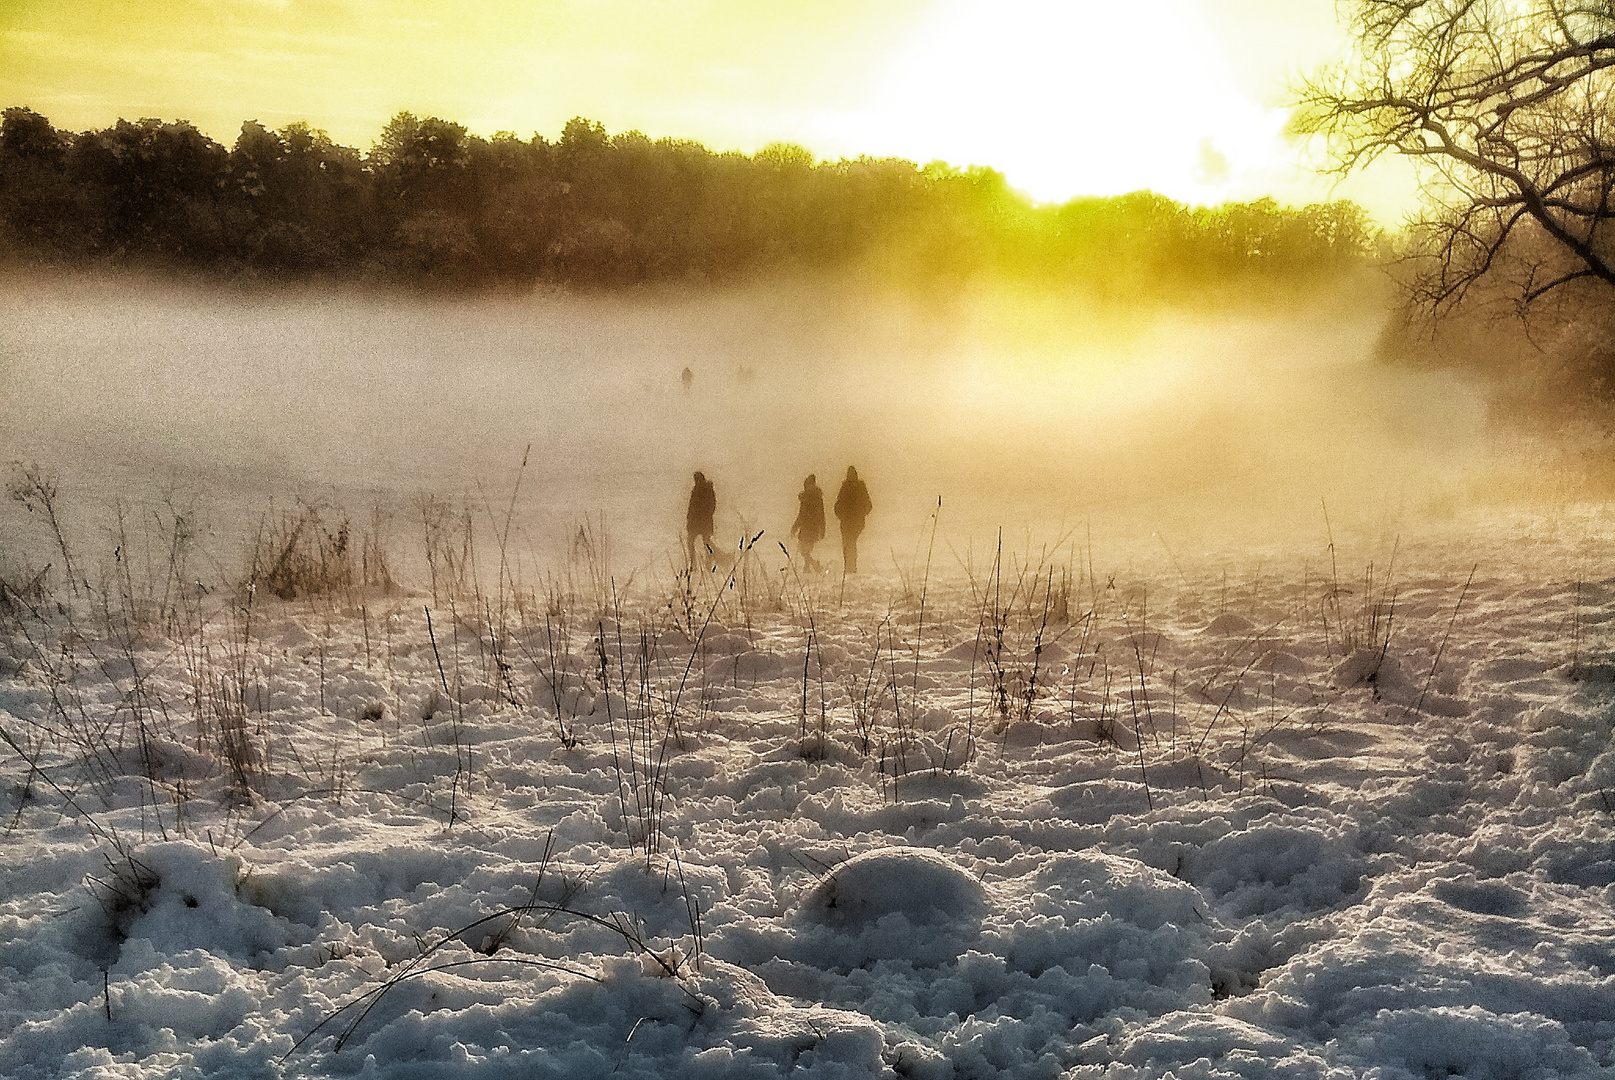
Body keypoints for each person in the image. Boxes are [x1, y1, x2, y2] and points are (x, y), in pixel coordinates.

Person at [833, 466, 872, 574]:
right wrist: (840, 513)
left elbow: (868, 505)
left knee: (850, 542)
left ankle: (851, 566)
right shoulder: (847, 487)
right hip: (848, 520)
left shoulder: (857, 487)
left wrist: (860, 514)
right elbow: (838, 504)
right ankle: (849, 566)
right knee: (848, 543)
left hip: (853, 521)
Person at [789, 474, 826, 571]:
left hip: (812, 527)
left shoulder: (817, 498)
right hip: (805, 526)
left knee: (806, 549)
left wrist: (822, 529)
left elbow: (821, 515)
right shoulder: (805, 499)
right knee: (803, 549)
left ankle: (810, 565)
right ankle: (811, 564)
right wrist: (795, 527)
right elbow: (800, 514)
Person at [686, 471, 716, 566]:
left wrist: (702, 517)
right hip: (696, 522)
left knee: (705, 543)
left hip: (703, 522)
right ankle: (693, 563)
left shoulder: (707, 490)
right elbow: (691, 507)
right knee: (692, 542)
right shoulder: (696, 490)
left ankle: (707, 563)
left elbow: (711, 507)